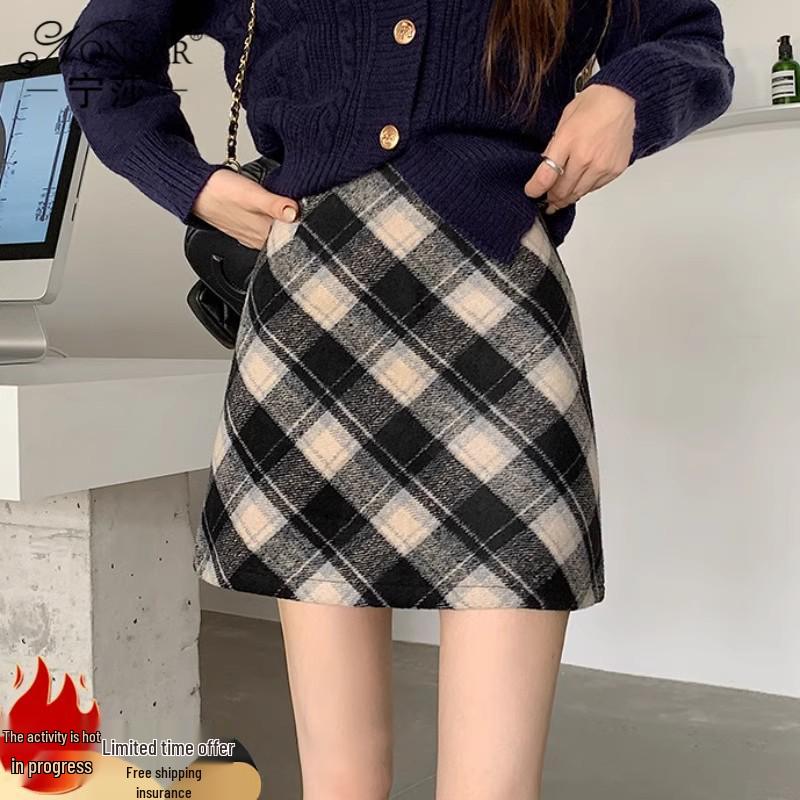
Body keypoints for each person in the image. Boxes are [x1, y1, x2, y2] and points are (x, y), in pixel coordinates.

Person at [59, 1, 734, 797]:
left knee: (493, 786)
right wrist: (191, 185)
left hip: (500, 308)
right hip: (312, 314)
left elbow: (690, 40)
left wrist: (626, 94)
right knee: (340, 780)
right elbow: (100, 56)